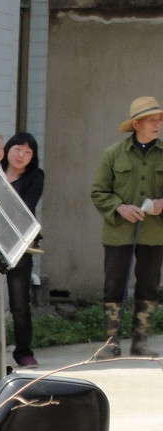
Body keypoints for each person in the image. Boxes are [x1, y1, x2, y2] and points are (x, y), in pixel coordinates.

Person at [90, 95, 163, 359]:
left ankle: (140, 342)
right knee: (114, 285)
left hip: (154, 233)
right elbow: (98, 192)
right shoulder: (113, 154)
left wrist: (161, 204)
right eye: (151, 120)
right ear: (136, 124)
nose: (157, 125)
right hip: (119, 232)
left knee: (149, 285)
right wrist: (120, 207)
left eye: (159, 120)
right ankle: (111, 342)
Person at [2, 132, 44, 367]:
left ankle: (24, 351)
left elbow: (25, 207)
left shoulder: (35, 177)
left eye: (28, 152)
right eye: (18, 149)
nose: (21, 155)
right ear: (8, 148)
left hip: (20, 243)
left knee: (19, 301)